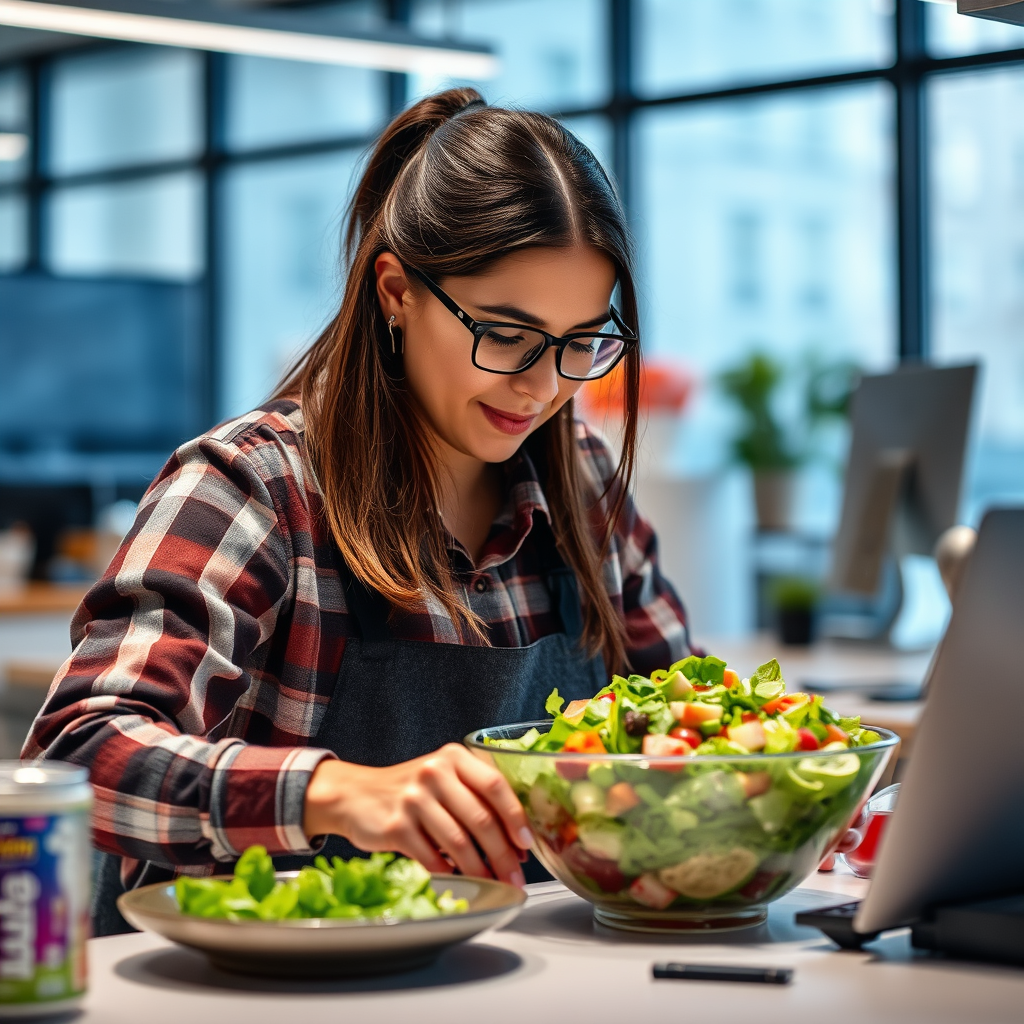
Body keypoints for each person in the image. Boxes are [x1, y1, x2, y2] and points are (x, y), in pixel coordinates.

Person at [24, 88, 693, 936]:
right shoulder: (253, 486)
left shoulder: (584, 488)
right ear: (395, 292)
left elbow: (682, 733)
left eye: (581, 342)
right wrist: (335, 792)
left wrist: (780, 792)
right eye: (507, 332)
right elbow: (75, 757)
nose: (543, 384)